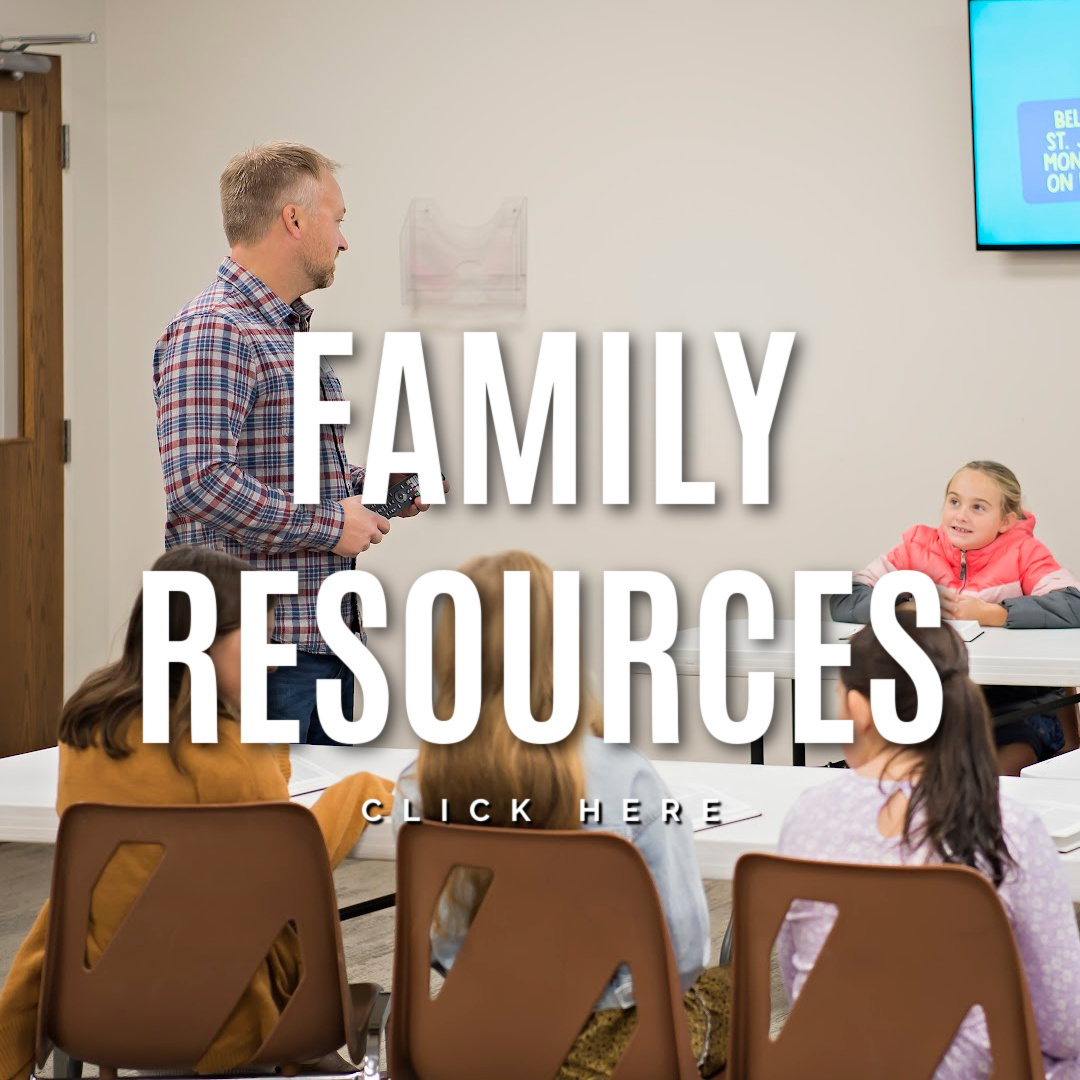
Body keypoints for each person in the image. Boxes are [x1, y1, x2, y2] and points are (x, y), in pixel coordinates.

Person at [0, 547, 394, 1080]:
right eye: (257, 638)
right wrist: (361, 789)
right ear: (201, 641)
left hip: (100, 1003)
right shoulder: (229, 750)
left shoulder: (88, 725)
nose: (270, 654)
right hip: (227, 1017)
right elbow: (294, 864)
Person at [391, 550, 730, 1078]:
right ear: (559, 647)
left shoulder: (419, 784)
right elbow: (681, 955)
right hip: (614, 1055)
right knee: (732, 988)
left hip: (476, 1038)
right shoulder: (625, 775)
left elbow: (441, 941)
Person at [153, 141, 439, 744]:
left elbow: (287, 471)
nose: (342, 241)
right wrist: (331, 525)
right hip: (252, 654)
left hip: (318, 642)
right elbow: (199, 482)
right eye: (337, 220)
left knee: (314, 835)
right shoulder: (215, 329)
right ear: (293, 219)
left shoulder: (281, 332)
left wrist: (381, 487)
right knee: (255, 835)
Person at [778, 614, 1080, 1079]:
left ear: (861, 709)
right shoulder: (1010, 827)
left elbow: (799, 980)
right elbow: (1064, 1026)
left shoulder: (807, 817)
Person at [831, 460, 1080, 774]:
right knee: (901, 769)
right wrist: (905, 604)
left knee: (999, 773)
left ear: (1006, 519)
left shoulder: (1024, 552)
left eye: (978, 507)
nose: (961, 515)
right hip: (937, 701)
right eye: (954, 501)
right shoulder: (916, 548)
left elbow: (1073, 603)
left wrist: (996, 613)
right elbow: (845, 596)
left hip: (1015, 704)